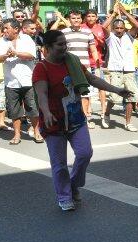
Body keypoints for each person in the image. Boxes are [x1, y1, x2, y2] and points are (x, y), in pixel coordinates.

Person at [33, 30, 132, 211]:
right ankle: (64, 196)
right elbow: (41, 94)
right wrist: (46, 112)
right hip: (54, 121)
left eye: (65, 44)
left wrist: (117, 90)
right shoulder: (42, 68)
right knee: (59, 164)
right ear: (47, 48)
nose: (64, 48)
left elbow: (92, 79)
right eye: (60, 45)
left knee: (85, 153)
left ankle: (73, 184)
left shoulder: (72, 61)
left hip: (76, 118)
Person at [0, 18, 42, 145]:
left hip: (28, 80)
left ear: (16, 29)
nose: (4, 31)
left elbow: (31, 55)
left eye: (6, 28)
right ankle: (17, 135)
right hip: (10, 82)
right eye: (3, 28)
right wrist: (5, 56)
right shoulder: (1, 41)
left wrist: (16, 53)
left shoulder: (26, 39)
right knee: (14, 111)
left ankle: (37, 132)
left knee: (33, 108)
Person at [102, 4, 138, 131]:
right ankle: (106, 114)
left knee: (131, 97)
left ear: (125, 28)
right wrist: (114, 14)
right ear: (113, 29)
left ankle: (128, 122)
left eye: (121, 28)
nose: (119, 30)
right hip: (115, 70)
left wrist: (124, 11)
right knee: (114, 97)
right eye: (117, 28)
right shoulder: (110, 38)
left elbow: (137, 25)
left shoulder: (129, 37)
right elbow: (103, 26)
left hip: (129, 70)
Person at [57, 11, 99, 128]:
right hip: (68, 68)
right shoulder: (63, 33)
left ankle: (84, 119)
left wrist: (96, 63)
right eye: (73, 18)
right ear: (69, 20)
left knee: (85, 94)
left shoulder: (88, 32)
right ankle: (69, 119)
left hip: (85, 68)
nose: (76, 20)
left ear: (82, 19)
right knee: (68, 94)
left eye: (78, 18)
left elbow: (93, 50)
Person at [83, 9, 109, 123]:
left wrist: (95, 38)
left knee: (101, 87)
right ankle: (88, 111)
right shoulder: (82, 27)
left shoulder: (100, 28)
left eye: (93, 16)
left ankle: (103, 111)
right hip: (85, 62)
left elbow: (104, 44)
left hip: (97, 62)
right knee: (86, 88)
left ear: (96, 17)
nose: (91, 18)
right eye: (89, 16)